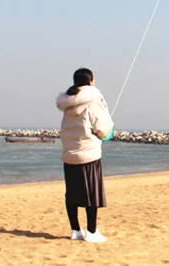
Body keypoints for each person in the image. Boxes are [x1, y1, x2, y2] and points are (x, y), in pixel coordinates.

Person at [56, 67, 114, 242]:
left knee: (72, 194)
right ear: (91, 82)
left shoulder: (68, 104)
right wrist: (108, 132)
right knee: (91, 194)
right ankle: (92, 232)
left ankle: (75, 230)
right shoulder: (93, 101)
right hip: (88, 155)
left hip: (70, 155)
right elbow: (103, 129)